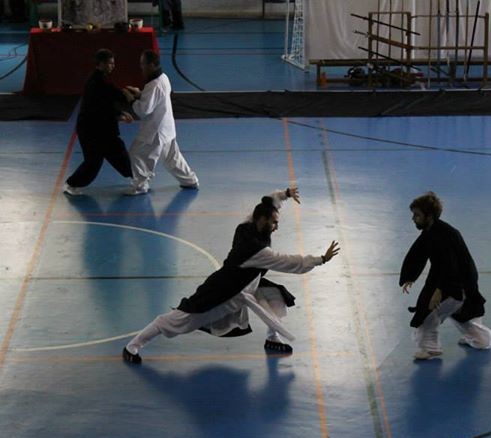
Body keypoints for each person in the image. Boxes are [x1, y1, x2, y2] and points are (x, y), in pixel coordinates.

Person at [122, 187, 340, 364]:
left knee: (275, 296)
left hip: (248, 284)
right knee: (180, 320)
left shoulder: (247, 225)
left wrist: (285, 195)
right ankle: (133, 346)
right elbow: (288, 261)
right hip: (224, 292)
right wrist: (320, 259)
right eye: (274, 222)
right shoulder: (256, 250)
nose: (276, 227)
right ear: (262, 220)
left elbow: (268, 202)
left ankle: (272, 338)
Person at [399, 192, 491, 360]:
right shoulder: (431, 231)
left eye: (417, 215)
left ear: (429, 216)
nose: (413, 219)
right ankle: (481, 340)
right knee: (460, 314)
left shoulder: (445, 236)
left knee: (428, 312)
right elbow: (418, 253)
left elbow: (451, 265)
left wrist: (439, 291)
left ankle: (430, 349)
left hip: (456, 284)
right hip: (457, 283)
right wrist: (410, 276)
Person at [122, 50, 198, 195]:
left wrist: (131, 99)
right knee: (172, 158)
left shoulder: (154, 85)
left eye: (143, 64)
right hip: (167, 128)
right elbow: (156, 98)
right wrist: (140, 94)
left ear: (151, 65)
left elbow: (143, 110)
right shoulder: (163, 78)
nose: (141, 68)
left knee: (137, 154)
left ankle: (140, 185)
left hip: (156, 132)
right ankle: (190, 180)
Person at [63, 49, 134, 196]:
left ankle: (137, 178)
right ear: (100, 64)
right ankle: (71, 184)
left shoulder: (101, 80)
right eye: (109, 63)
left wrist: (120, 112)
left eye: (113, 63)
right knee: (94, 161)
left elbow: (109, 100)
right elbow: (102, 105)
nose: (112, 66)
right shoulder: (96, 83)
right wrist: (121, 112)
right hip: (90, 130)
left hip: (102, 128)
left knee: (118, 154)